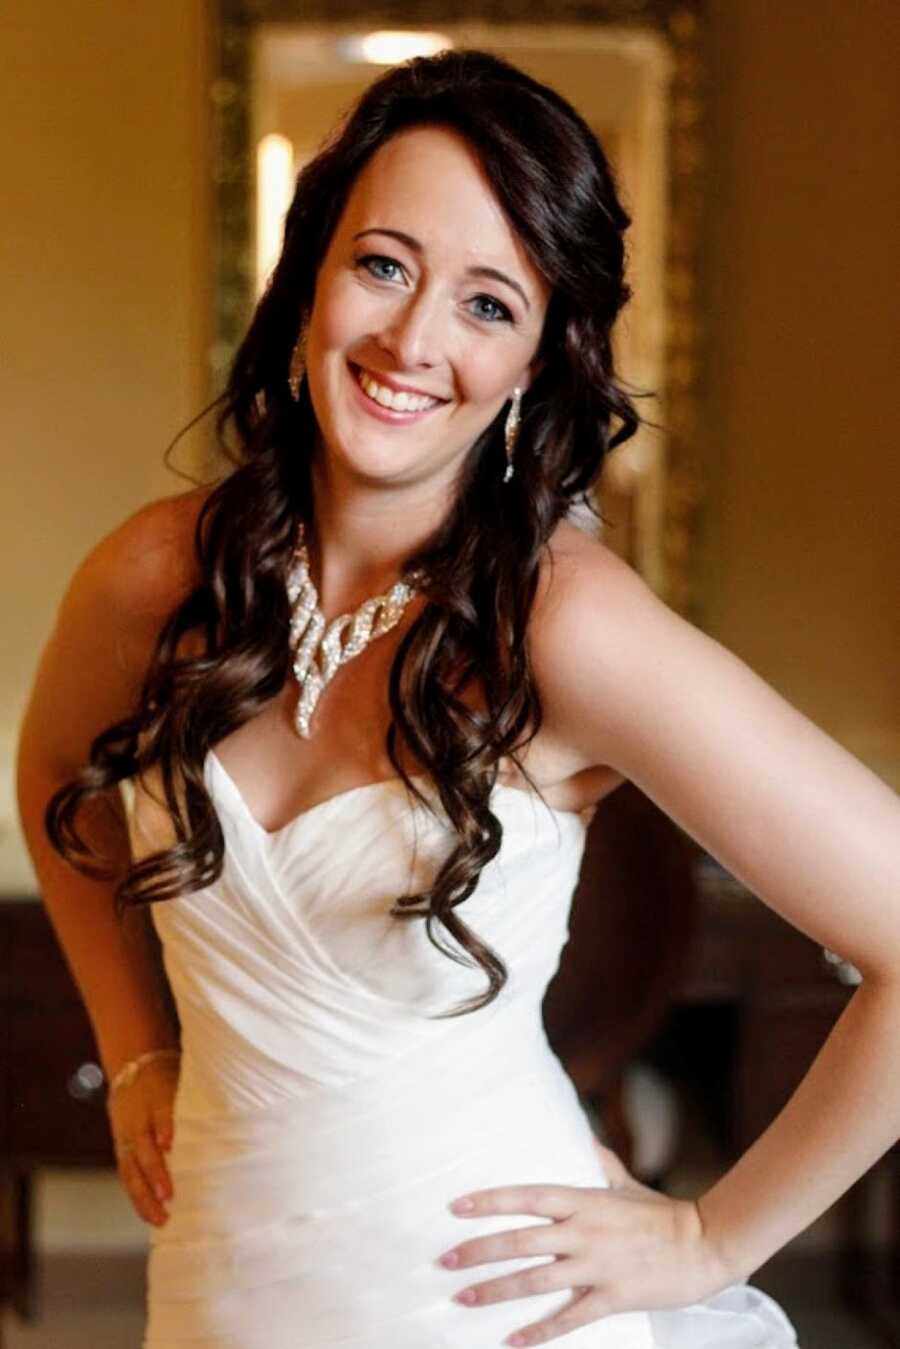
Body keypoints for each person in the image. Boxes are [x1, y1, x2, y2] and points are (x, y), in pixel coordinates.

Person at [16, 48, 899, 1349]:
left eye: (489, 303)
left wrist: (713, 1235)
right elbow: (52, 782)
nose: (412, 339)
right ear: (312, 270)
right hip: (216, 1286)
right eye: (383, 264)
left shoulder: (566, 623)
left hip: (491, 1307)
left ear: (544, 354)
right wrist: (137, 1045)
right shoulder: (159, 571)